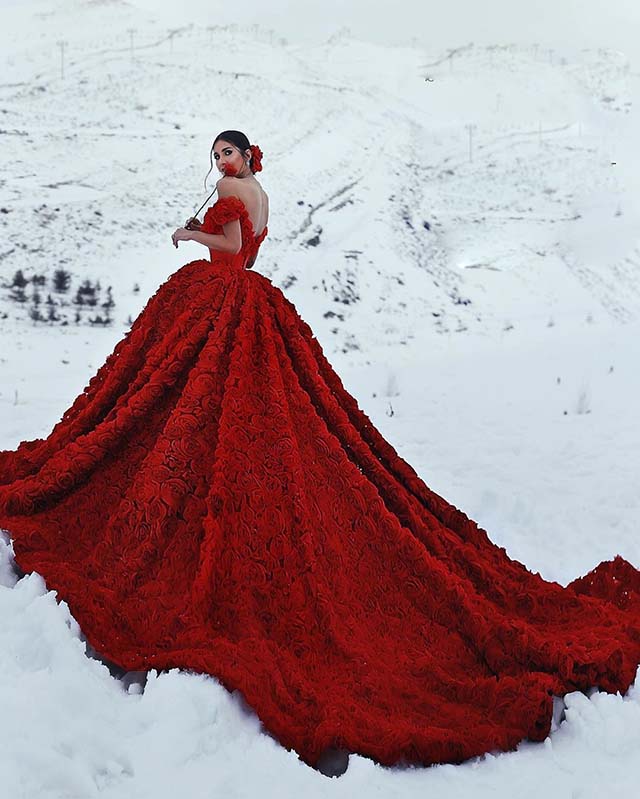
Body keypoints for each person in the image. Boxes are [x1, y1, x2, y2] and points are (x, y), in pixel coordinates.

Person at [1, 129, 640, 772]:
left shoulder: (231, 192)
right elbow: (248, 248)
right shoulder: (261, 192)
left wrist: (192, 237)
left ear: (246, 157)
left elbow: (228, 245)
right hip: (248, 299)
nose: (220, 163)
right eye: (216, 155)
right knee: (209, 404)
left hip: (221, 296)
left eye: (228, 153)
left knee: (174, 402)